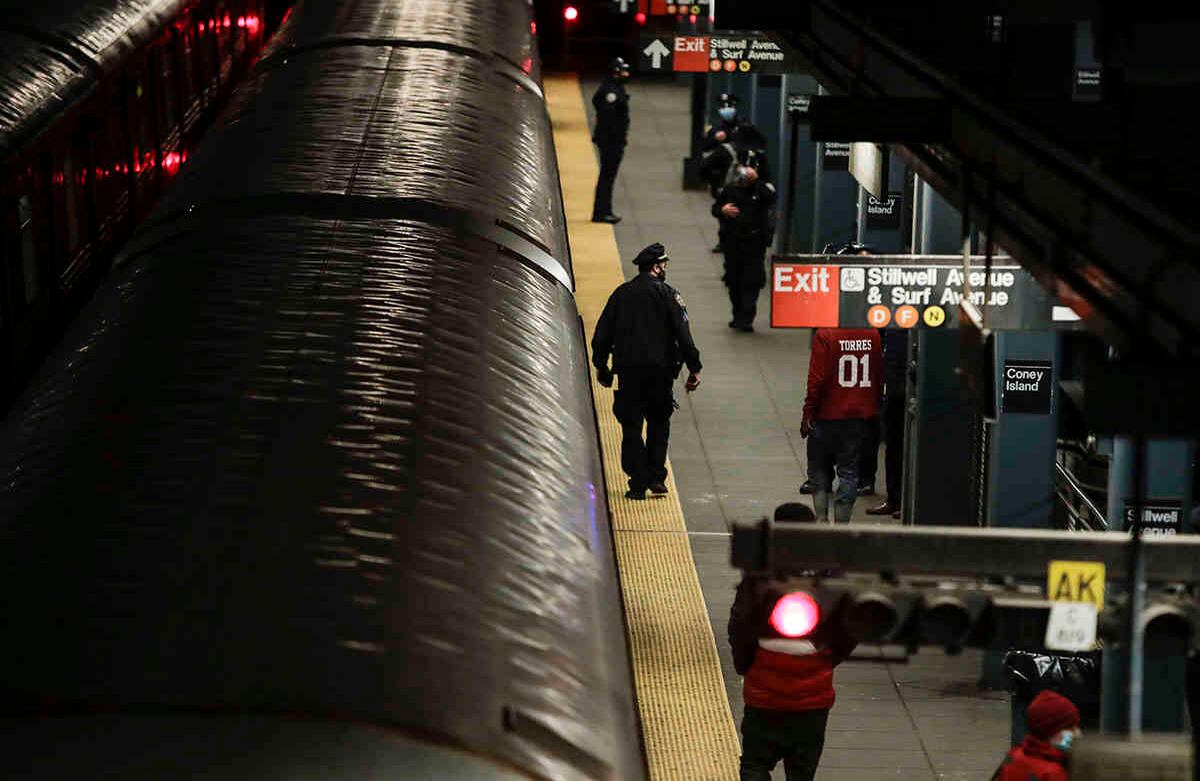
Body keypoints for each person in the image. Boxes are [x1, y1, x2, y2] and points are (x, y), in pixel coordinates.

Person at [728, 502, 857, 781]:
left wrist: (745, 663)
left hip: (763, 695)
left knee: (754, 764)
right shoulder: (831, 569)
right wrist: (827, 657)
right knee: (801, 772)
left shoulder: (761, 566)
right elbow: (851, 624)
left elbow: (741, 621)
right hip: (813, 699)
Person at [592, 243, 702, 500]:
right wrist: (694, 367)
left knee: (631, 427)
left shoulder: (621, 294)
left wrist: (602, 365)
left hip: (629, 374)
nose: (664, 269)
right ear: (655, 267)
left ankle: (637, 483)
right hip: (661, 375)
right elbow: (684, 337)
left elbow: (602, 334)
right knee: (659, 424)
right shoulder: (669, 295)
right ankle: (655, 476)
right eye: (663, 265)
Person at [801, 327, 882, 522]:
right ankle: (842, 526)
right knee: (849, 471)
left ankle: (821, 519)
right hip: (858, 417)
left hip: (826, 415)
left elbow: (816, 380)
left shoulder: (826, 334)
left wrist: (808, 413)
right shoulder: (872, 334)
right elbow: (878, 374)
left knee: (819, 470)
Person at [712, 149, 776, 332]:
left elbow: (771, 198)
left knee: (752, 281)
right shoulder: (730, 190)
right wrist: (722, 210)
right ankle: (737, 314)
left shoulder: (761, 190)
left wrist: (757, 181)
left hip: (754, 245)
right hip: (733, 244)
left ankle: (746, 318)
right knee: (734, 281)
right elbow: (715, 208)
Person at [700, 93, 769, 252]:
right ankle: (726, 240)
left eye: (729, 106)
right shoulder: (716, 130)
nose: (727, 110)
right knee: (727, 212)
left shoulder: (745, 127)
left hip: (742, 185)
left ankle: (731, 240)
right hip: (724, 180)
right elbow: (705, 150)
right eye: (724, 106)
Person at [992, 690, 1081, 781]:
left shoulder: (1014, 755)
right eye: (1071, 729)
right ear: (1051, 731)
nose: (1078, 734)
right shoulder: (1052, 773)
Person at [866, 329, 908, 518]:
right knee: (893, 446)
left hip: (907, 386)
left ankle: (903, 500)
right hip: (894, 388)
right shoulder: (893, 323)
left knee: (903, 446)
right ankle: (894, 498)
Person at [591, 57, 631, 224]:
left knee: (608, 177)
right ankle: (601, 212)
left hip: (613, 140)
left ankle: (605, 210)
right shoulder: (610, 92)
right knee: (607, 177)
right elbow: (609, 117)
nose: (626, 74)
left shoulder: (613, 88)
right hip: (610, 141)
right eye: (622, 71)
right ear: (615, 73)